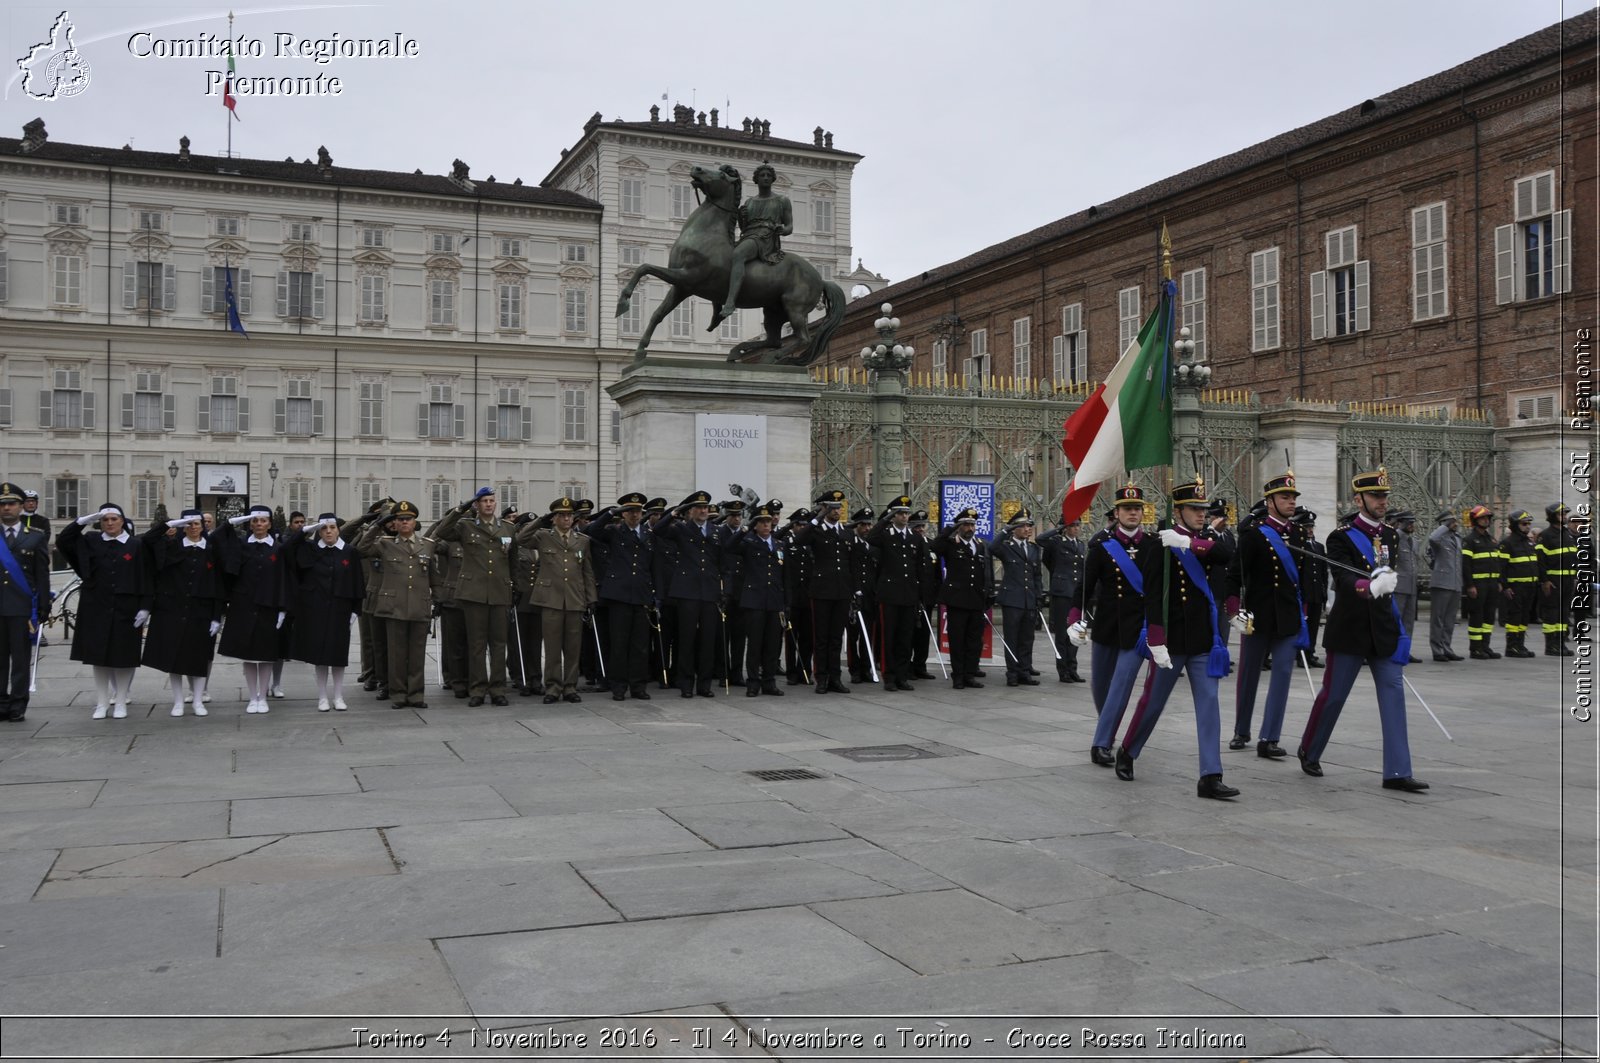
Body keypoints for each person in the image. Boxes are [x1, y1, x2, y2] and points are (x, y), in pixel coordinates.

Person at [1297, 468, 1427, 792]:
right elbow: (1341, 580)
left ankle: (1397, 772)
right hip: (1350, 629)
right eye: (1376, 496)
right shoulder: (1339, 538)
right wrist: (1367, 586)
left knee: (1393, 696)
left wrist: (1399, 631)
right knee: (1334, 696)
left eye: (1384, 496)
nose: (1383, 501)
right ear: (1359, 499)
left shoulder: (1392, 537)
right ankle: (1310, 749)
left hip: (1382, 628)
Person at [1113, 478, 1239, 799]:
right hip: (1171, 639)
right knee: (1154, 701)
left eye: (1203, 509)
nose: (1201, 514)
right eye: (1194, 509)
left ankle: (1210, 775)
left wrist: (1189, 544)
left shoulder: (1205, 539)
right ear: (1179, 511)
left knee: (1209, 703)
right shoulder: (1159, 543)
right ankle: (1128, 749)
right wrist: (1155, 638)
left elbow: (1228, 555)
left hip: (1202, 639)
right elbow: (1152, 594)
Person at [1228, 471, 1308, 757]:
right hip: (1257, 616)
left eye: (1292, 497)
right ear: (1270, 501)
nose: (1291, 502)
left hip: (1286, 616)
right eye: (1285, 497)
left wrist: (1305, 612)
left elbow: (1304, 576)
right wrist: (1234, 611)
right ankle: (1241, 729)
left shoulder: (1298, 533)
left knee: (1283, 674)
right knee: (1249, 674)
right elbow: (1235, 574)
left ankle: (1270, 737)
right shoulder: (1253, 534)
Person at [1071, 485, 1152, 767]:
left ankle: (1101, 743)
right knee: (1101, 687)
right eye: (1127, 508)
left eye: (1137, 508)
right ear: (1116, 513)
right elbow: (1085, 585)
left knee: (1121, 684)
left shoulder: (1153, 544)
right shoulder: (1101, 545)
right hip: (1107, 625)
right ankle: (1108, 724)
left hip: (1138, 629)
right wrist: (1074, 618)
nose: (1133, 512)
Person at [58, 503, 152, 719]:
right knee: (98, 658)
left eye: (114, 519)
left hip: (126, 609)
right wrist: (80, 522)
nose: (109, 523)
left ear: (122, 521)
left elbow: (146, 577)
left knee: (124, 657)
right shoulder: (91, 541)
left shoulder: (135, 545)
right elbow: (64, 542)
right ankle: (101, 702)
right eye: (105, 520)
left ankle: (120, 701)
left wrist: (146, 607)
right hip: (96, 607)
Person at [432, 487, 515, 705]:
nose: (488, 504)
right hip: (474, 593)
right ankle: (477, 689)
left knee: (498, 644)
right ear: (477, 505)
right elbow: (442, 531)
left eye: (491, 501)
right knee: (476, 644)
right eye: (484, 501)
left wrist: (512, 589)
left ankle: (498, 689)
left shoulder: (507, 528)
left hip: (499, 592)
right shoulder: (465, 526)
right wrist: (460, 509)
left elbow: (512, 562)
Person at [141, 508, 223, 717]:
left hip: (200, 611)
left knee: (198, 657)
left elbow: (218, 584)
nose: (193, 528)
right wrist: (170, 524)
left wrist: (216, 616)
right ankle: (177, 701)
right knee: (174, 658)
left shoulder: (212, 548)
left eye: (196, 524)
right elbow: (148, 539)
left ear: (203, 526)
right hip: (173, 610)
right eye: (188, 524)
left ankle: (197, 700)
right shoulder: (171, 546)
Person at [355, 501, 438, 708]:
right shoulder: (385, 544)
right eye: (399, 519)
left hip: (419, 605)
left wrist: (438, 600)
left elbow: (433, 576)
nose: (403, 523)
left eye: (407, 519)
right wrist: (377, 524)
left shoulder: (427, 544)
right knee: (396, 654)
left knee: (417, 654)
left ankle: (416, 694)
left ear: (414, 522)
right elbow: (361, 549)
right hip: (394, 606)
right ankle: (399, 694)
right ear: (395, 522)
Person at [516, 497, 598, 704]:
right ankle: (552, 687)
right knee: (552, 647)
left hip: (574, 598)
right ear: (554, 518)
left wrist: (591, 598)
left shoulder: (582, 541)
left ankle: (570, 687)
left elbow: (587, 572)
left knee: (572, 647)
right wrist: (540, 520)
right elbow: (521, 538)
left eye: (569, 515)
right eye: (561, 515)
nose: (566, 519)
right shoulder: (544, 536)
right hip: (550, 599)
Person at [214, 503, 289, 714]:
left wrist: (283, 609)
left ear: (269, 524)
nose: (258, 524)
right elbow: (216, 540)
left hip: (268, 606)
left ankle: (262, 696)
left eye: (263, 520)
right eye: (254, 520)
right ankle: (252, 695)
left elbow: (283, 578)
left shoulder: (277, 548)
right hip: (243, 605)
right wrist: (230, 522)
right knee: (247, 655)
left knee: (265, 655)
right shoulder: (240, 545)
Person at [286, 513, 365, 711]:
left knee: (338, 655)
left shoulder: (349, 552)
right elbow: (287, 548)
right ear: (318, 531)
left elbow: (358, 582)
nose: (328, 531)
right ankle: (322, 697)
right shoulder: (310, 549)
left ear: (338, 529)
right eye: (323, 528)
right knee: (319, 655)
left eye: (332, 527)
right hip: (316, 609)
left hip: (341, 610)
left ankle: (338, 696)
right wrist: (304, 531)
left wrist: (356, 610)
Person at [653, 490, 725, 698]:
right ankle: (685, 683)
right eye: (699, 508)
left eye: (705, 508)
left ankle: (704, 684)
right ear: (691, 511)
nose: (703, 511)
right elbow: (658, 530)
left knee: (707, 640)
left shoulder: (715, 530)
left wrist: (723, 589)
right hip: (687, 591)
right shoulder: (682, 529)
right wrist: (675, 512)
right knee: (686, 639)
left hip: (709, 591)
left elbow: (722, 561)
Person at [588, 493, 655, 701]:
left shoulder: (647, 533)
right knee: (619, 643)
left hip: (641, 594)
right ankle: (618, 686)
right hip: (619, 595)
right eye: (630, 511)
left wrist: (654, 593)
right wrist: (610, 513)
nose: (634, 515)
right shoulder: (614, 531)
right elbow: (592, 531)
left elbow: (652, 565)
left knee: (640, 645)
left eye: (637, 511)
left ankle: (638, 686)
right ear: (623, 513)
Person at [793, 490, 857, 694]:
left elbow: (851, 564)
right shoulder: (816, 530)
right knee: (821, 637)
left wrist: (855, 590)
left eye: (838, 507)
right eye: (832, 507)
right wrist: (816, 518)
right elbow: (798, 540)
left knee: (836, 637)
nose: (837, 511)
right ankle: (821, 677)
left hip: (841, 591)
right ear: (824, 508)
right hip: (821, 591)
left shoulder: (846, 532)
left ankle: (835, 677)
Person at [725, 500, 788, 696]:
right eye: (761, 522)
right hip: (754, 601)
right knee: (754, 644)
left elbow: (785, 576)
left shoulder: (779, 544)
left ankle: (769, 681)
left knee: (772, 645)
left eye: (768, 521)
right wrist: (745, 529)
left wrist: (786, 603)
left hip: (774, 600)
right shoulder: (749, 543)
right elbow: (729, 547)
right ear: (755, 524)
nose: (766, 524)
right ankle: (753, 682)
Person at [718, 161, 793, 324]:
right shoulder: (749, 203)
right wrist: (741, 217)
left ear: (773, 179)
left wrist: (782, 229)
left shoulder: (782, 200)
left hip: (766, 237)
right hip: (748, 236)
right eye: (762, 175)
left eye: (768, 176)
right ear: (756, 179)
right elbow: (744, 228)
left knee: (738, 254)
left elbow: (790, 227)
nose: (765, 178)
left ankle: (730, 302)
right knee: (720, 259)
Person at [0, 482, 51, 722]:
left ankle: (18, 703)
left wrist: (44, 603)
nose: (6, 508)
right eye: (2, 504)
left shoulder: (35, 537)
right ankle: (1, 702)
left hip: (21, 607)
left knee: (20, 659)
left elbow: (42, 572)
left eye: (11, 504)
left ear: (21, 507)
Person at [930, 508, 994, 689]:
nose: (970, 528)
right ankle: (958, 676)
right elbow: (934, 547)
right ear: (959, 526)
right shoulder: (950, 544)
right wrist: (950, 528)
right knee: (957, 640)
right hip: (957, 600)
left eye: (972, 524)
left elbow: (986, 571)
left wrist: (988, 593)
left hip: (976, 599)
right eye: (966, 524)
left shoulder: (981, 545)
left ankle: (970, 675)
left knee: (974, 641)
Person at [866, 496, 925, 692]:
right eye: (900, 513)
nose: (904, 516)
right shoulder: (885, 535)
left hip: (909, 593)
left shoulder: (915, 537)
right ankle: (889, 676)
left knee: (905, 637)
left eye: (906, 513)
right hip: (889, 594)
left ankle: (902, 675)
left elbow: (919, 567)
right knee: (888, 637)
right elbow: (870, 538)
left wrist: (920, 595)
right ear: (893, 515)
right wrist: (885, 518)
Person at [992, 509, 1044, 686]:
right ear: (1015, 529)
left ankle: (1024, 671)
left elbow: (1036, 575)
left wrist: (1038, 596)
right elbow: (992, 548)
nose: (1027, 529)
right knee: (1012, 638)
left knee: (1027, 639)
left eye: (1029, 525)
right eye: (1022, 526)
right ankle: (1012, 673)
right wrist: (1006, 529)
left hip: (1028, 600)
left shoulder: (1033, 548)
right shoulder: (1007, 547)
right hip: (1012, 600)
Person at [1037, 516, 1086, 683]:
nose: (1076, 528)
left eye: (1078, 525)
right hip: (1062, 592)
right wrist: (1058, 529)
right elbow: (1040, 540)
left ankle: (1073, 668)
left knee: (1077, 632)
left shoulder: (1080, 544)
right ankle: (1063, 669)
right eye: (1073, 525)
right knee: (1062, 633)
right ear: (1066, 527)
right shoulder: (1056, 542)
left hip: (1077, 594)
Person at [1461, 504, 1504, 659]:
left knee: (1489, 616)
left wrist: (1499, 581)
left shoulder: (1491, 540)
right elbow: (1466, 565)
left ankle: (1485, 646)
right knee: (1477, 616)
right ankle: (1475, 648)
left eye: (1487, 518)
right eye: (1482, 518)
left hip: (1492, 584)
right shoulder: (1469, 540)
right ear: (1475, 520)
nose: (1486, 521)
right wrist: (1470, 585)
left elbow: (1497, 562)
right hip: (1478, 585)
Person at [1538, 502, 1578, 656]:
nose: (1564, 517)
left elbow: (1572, 556)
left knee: (1564, 612)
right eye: (1561, 514)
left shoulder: (1566, 534)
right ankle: (1551, 645)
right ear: (1552, 516)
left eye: (1565, 514)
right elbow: (1541, 561)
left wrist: (1574, 576)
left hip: (1568, 579)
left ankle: (1560, 642)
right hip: (1554, 580)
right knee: (1552, 612)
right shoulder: (1545, 535)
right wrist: (1545, 580)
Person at [1498, 509, 1539, 657]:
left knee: (1524, 617)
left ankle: (1520, 645)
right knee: (1514, 616)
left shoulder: (1529, 542)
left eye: (1528, 523)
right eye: (1524, 524)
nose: (1527, 526)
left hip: (1530, 586)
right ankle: (1511, 646)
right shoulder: (1507, 543)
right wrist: (1506, 587)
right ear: (1515, 525)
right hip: (1515, 587)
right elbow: (1501, 567)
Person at [1426, 511, 1464, 661]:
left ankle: (1447, 647)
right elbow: (1432, 537)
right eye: (1451, 522)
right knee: (1438, 618)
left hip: (1455, 583)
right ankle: (1437, 650)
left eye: (1455, 521)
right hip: (1441, 583)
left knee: (1449, 619)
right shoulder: (1439, 538)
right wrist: (1445, 526)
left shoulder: (1458, 538)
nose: (1455, 524)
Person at [1295, 509, 1329, 666]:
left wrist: (1324, 594)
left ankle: (1310, 653)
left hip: (1316, 593)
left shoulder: (1319, 547)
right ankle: (1301, 655)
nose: (1309, 530)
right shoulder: (1297, 547)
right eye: (1306, 527)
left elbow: (1323, 573)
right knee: (1304, 625)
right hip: (1304, 593)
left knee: (1314, 625)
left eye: (1311, 527)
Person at [1390, 510, 1421, 661]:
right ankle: (1394, 650)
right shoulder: (1394, 538)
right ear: (1400, 522)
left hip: (1411, 587)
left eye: (1412, 522)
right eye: (1408, 522)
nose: (1411, 525)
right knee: (1396, 620)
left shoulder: (1414, 541)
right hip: (1398, 586)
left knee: (1409, 623)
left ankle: (1405, 651)